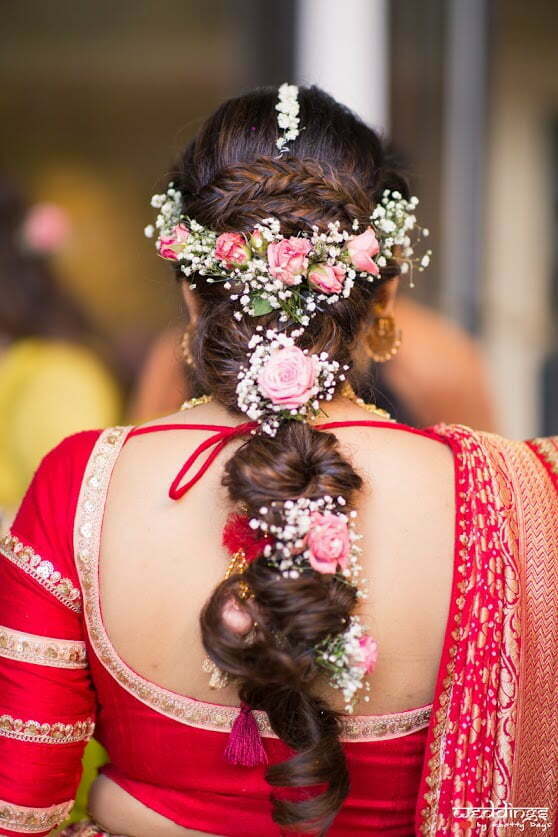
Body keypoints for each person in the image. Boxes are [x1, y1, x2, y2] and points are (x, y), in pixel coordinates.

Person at [0, 85, 556, 837]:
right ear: (383, 292)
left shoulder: (83, 486)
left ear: (193, 297)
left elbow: (18, 810)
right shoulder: (516, 495)